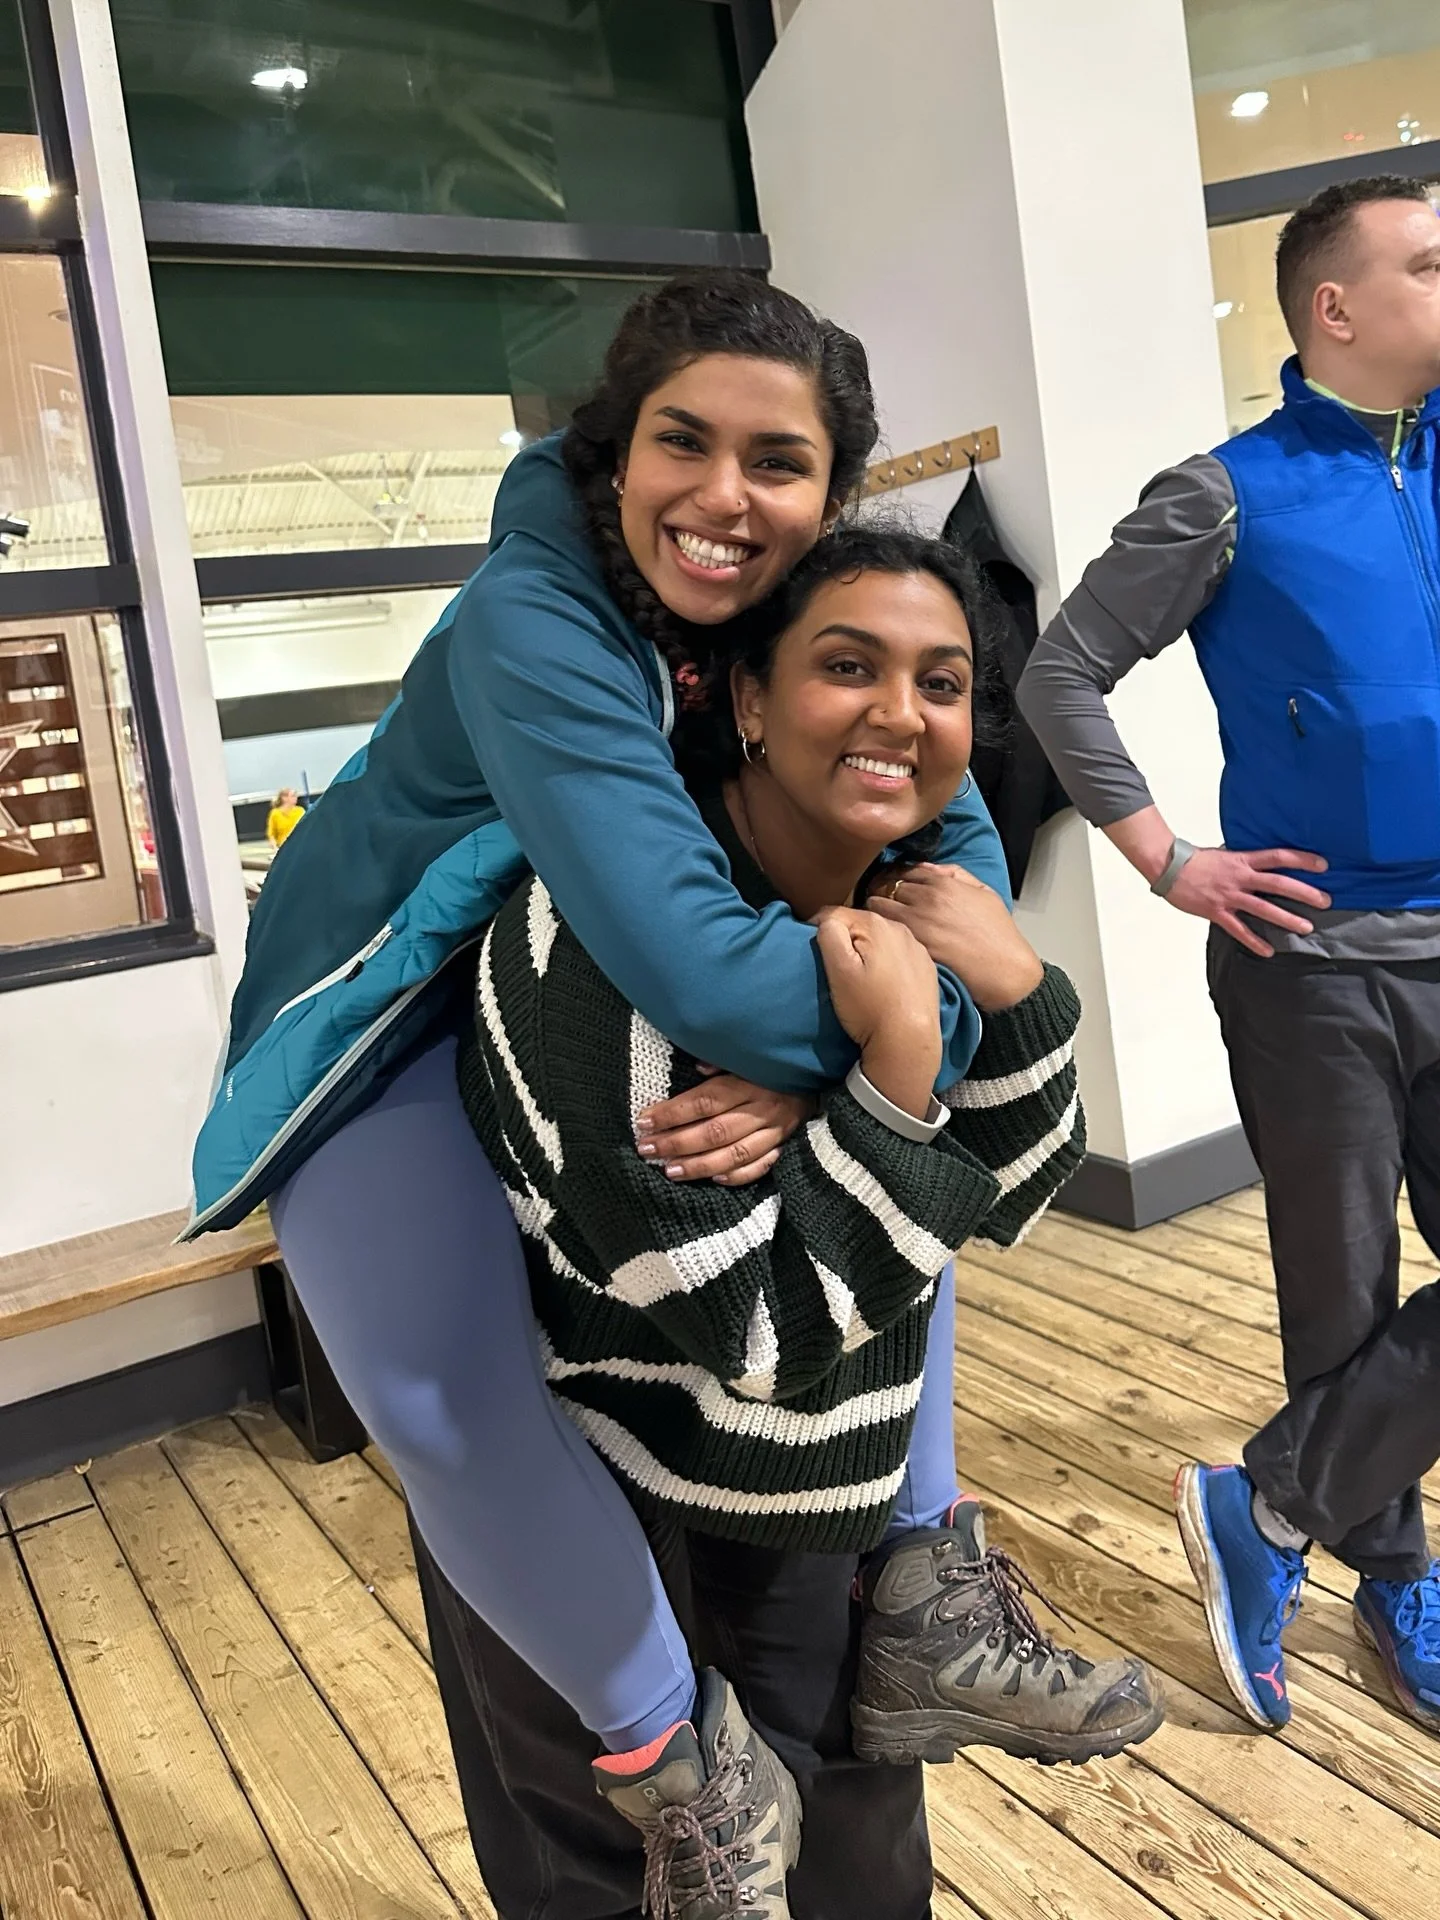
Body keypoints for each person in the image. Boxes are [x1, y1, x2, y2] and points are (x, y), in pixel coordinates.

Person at [189, 273, 1141, 1805]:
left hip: (620, 974)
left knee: (891, 1163)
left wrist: (870, 1052)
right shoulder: (536, 612)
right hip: (392, 1006)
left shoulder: (816, 601)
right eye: (681, 442)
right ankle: (676, 1766)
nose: (722, 496)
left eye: (778, 462)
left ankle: (925, 1580)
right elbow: (706, 973)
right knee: (429, 1393)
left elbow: (945, 866)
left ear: (831, 489)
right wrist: (868, 1038)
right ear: (613, 450)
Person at [441, 526, 1145, 1919]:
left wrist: (1018, 999)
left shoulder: (907, 894)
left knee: (861, 1815)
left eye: (943, 683)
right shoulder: (593, 946)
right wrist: (892, 1073)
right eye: (847, 666)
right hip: (604, 1480)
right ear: (748, 700)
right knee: (623, 1857)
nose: (902, 713)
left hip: (820, 1467)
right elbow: (763, 1327)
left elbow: (1012, 1186)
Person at [1016, 175, 1440, 1738]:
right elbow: (1060, 673)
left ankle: (1260, 1509)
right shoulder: (1225, 495)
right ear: (1337, 307)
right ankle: (1394, 1575)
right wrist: (1167, 857)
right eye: (1431, 263)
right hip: (1310, 967)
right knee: (1341, 1293)